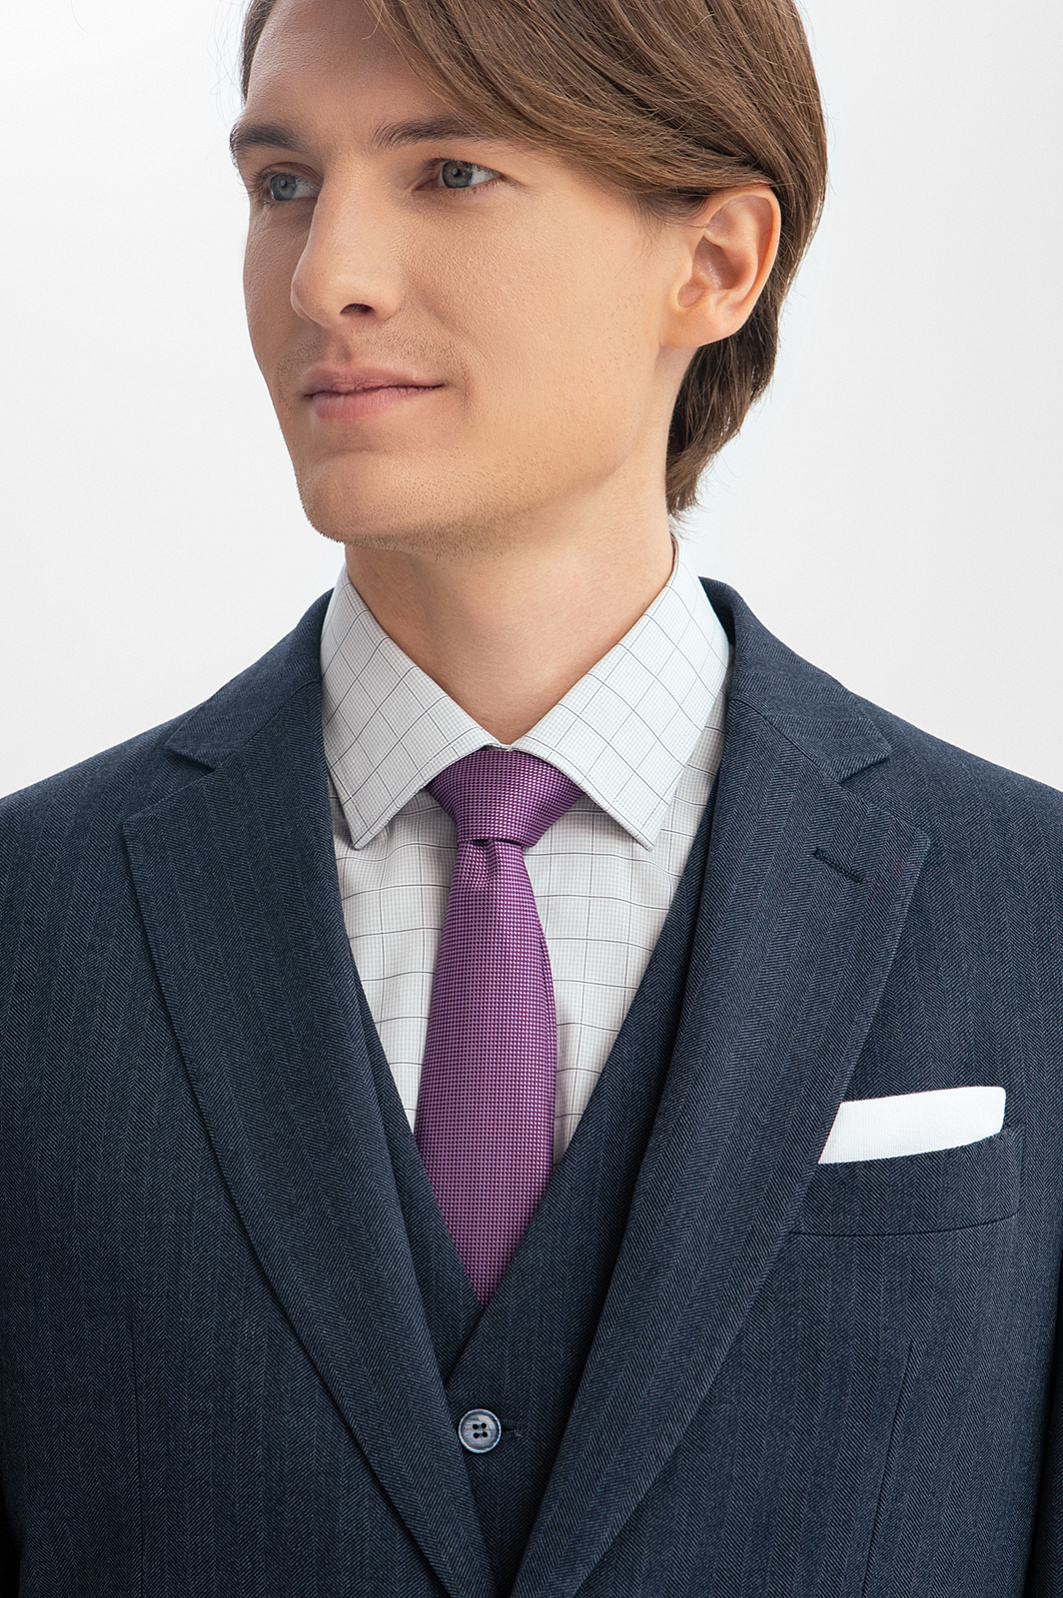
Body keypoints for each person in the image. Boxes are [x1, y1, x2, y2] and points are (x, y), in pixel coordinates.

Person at [1, 0, 1061, 1592]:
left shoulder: (1033, 907)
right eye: (285, 182)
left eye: (449, 173)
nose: (325, 277)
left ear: (715, 261)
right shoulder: (31, 921)